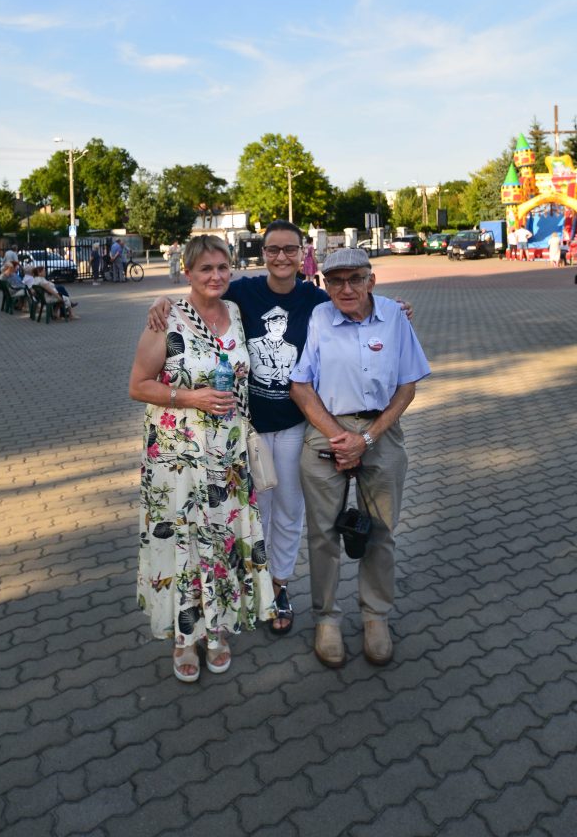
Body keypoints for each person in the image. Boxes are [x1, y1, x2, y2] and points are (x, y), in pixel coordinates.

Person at [147, 220, 414, 638]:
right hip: (246, 426)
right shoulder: (244, 292)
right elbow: (204, 289)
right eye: (273, 249)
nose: (281, 257)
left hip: (294, 424)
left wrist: (393, 309)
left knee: (290, 511)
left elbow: (357, 299)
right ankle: (250, 587)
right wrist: (163, 300)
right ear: (263, 252)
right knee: (254, 511)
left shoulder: (316, 299)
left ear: (302, 252)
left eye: (290, 249)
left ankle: (279, 587)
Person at [130, 235, 275, 683]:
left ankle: (217, 629)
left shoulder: (235, 312)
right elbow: (138, 385)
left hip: (227, 455)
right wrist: (191, 397)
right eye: (205, 269)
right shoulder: (165, 318)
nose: (215, 276)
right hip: (176, 455)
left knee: (221, 540)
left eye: (222, 267)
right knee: (184, 541)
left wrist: (392, 308)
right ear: (187, 272)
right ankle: (183, 637)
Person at [289, 247, 430, 669]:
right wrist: (340, 438)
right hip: (327, 428)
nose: (346, 288)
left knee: (381, 530)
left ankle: (375, 617)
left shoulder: (394, 317)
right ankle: (327, 618)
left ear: (372, 280)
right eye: (335, 281)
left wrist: (366, 439)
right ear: (325, 284)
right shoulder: (319, 317)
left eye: (355, 279)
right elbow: (300, 386)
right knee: (322, 533)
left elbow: (407, 385)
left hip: (380, 430)